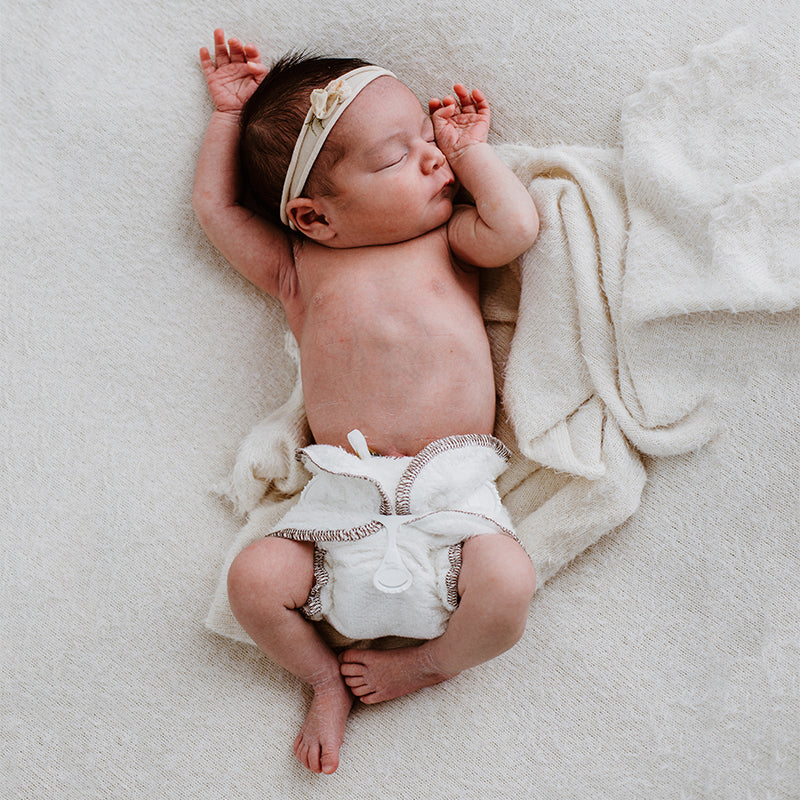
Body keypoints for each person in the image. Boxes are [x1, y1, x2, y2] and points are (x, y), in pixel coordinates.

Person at [194, 29, 539, 775]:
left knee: (509, 587)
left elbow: (516, 226)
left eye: (428, 137)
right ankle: (323, 678)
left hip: (452, 498)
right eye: (396, 155)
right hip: (342, 500)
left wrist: (473, 150)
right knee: (252, 580)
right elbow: (218, 209)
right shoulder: (299, 269)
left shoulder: (451, 239)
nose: (432, 157)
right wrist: (227, 116)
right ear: (314, 216)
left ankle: (434, 663)